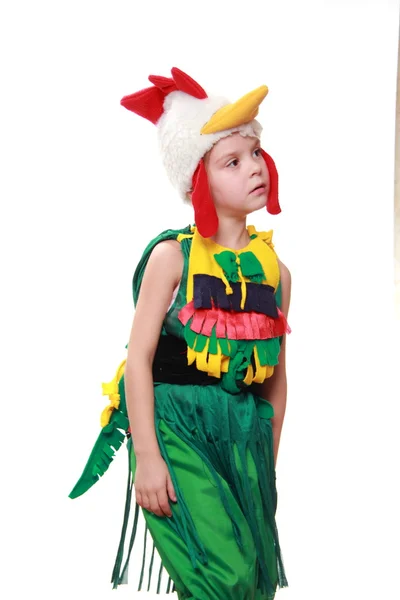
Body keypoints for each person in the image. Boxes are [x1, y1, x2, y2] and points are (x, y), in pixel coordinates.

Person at [69, 66, 292, 600]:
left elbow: (277, 378)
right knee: (225, 574)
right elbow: (139, 358)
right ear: (199, 179)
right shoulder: (172, 258)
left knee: (255, 583)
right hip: (177, 424)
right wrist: (147, 454)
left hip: (242, 430)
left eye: (255, 154)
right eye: (232, 161)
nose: (253, 168)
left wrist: (268, 460)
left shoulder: (276, 273)